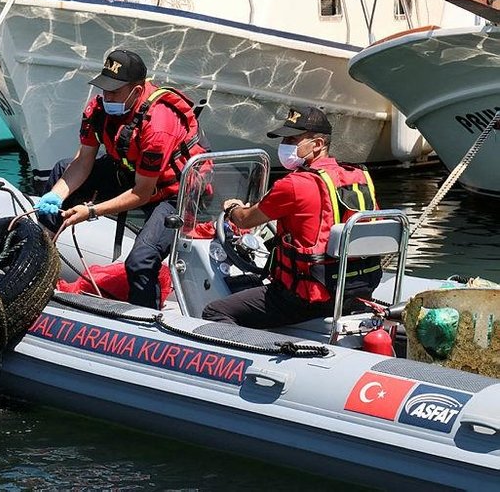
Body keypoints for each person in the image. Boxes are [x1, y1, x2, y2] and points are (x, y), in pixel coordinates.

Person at [35, 48, 208, 309]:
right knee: (61, 170)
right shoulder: (98, 109)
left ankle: (144, 319)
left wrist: (91, 211)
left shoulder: (158, 125)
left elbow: (142, 193)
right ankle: (40, 258)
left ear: (136, 91)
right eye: (104, 89)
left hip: (174, 192)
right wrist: (56, 195)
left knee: (141, 260)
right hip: (133, 173)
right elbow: (82, 161)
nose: (107, 97)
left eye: (114, 91)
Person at [201, 106, 382, 328]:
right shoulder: (358, 177)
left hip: (306, 298)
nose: (285, 145)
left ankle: (249, 348)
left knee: (215, 312)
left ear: (317, 144)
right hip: (354, 290)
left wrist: (232, 209)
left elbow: (245, 219)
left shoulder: (295, 184)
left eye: (292, 140)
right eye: (284, 140)